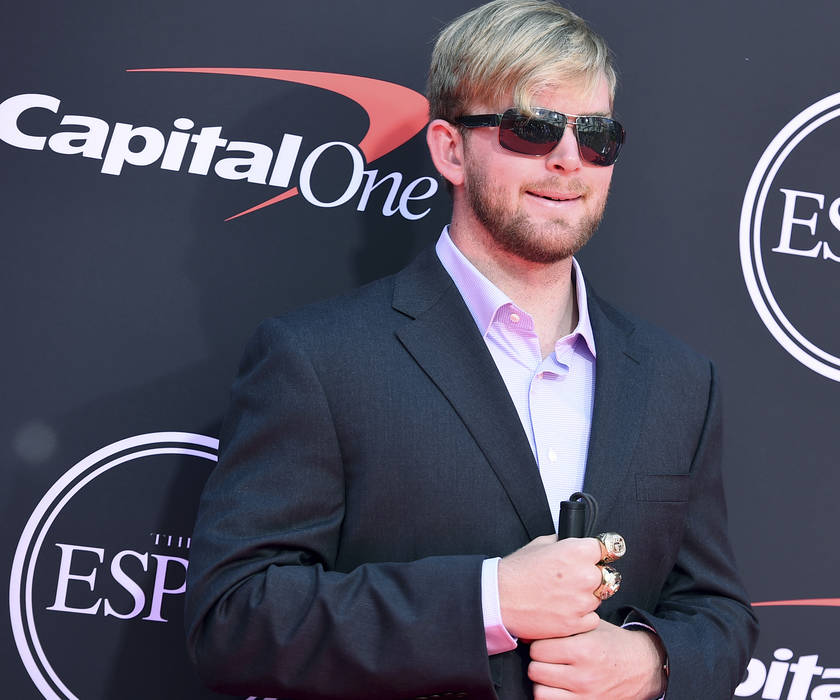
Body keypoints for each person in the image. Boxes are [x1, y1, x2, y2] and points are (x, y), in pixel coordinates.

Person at [184, 1, 758, 698]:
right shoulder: (319, 360)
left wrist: (652, 662)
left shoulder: (678, 381)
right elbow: (233, 619)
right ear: (450, 150)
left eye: (597, 135)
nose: (568, 157)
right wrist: (488, 600)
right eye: (531, 127)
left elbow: (718, 614)